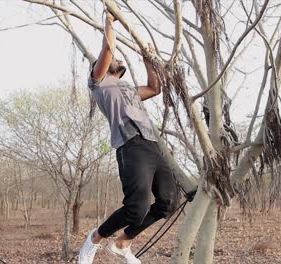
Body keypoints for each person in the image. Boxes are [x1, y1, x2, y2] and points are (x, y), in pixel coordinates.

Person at [77, 10, 178, 264]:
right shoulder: (98, 83)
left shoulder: (130, 90)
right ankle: (95, 238)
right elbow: (108, 50)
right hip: (130, 145)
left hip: (152, 145)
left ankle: (123, 243)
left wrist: (148, 58)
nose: (114, 59)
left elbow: (155, 88)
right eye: (110, 59)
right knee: (136, 207)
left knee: (168, 202)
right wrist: (110, 21)